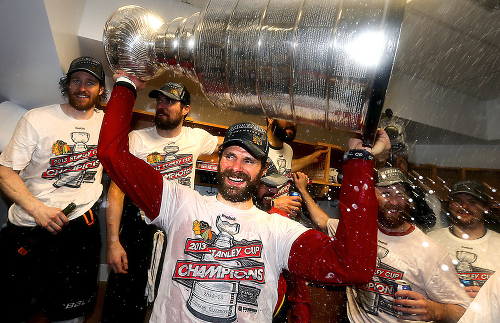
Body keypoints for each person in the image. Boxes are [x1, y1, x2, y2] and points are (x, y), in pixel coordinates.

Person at [97, 71, 391, 322]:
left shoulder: (277, 230)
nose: (237, 168)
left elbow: (354, 267)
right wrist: (127, 82)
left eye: (249, 161)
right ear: (219, 159)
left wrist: (359, 159)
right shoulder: (180, 202)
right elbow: (111, 153)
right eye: (231, 156)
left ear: (263, 170)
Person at [101, 81, 223, 323]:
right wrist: (113, 241)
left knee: (171, 300)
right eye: (159, 100)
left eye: (170, 101)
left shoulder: (197, 138)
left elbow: (227, 144)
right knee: (124, 302)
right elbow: (116, 191)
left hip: (178, 231)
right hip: (139, 229)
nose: (162, 106)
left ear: (186, 109)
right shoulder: (137, 139)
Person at [0, 56, 106, 323]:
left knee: (70, 314)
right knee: (14, 307)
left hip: (79, 232)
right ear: (67, 85)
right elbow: (4, 171)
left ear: (101, 90)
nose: (82, 88)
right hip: (29, 227)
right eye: (76, 81)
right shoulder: (37, 119)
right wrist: (38, 210)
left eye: (90, 83)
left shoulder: (109, 125)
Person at [299, 166, 470, 322]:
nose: (394, 202)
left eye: (401, 194)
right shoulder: (357, 232)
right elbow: (323, 221)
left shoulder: (432, 253)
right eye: (386, 193)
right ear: (370, 196)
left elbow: (464, 311)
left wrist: (437, 310)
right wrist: (302, 190)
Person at [254, 167, 311, 323]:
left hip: (275, 309)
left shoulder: (280, 218)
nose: (273, 190)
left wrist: (301, 317)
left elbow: (294, 277)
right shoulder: (229, 216)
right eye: (266, 184)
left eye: (276, 185)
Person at [428, 179, 500, 299]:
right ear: (450, 204)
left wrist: (490, 297)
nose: (464, 206)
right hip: (440, 316)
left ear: (486, 208)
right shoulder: (431, 240)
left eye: (472, 202)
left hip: (485, 317)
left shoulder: (498, 244)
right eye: (458, 201)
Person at [265, 117, 328, 218]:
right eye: (287, 116)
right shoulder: (257, 148)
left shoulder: (288, 149)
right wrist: (272, 204)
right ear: (271, 119)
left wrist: (312, 158)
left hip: (281, 220)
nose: (293, 123)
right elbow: (239, 194)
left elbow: (286, 166)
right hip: (262, 219)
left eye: (296, 120)